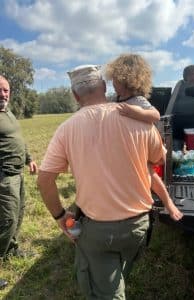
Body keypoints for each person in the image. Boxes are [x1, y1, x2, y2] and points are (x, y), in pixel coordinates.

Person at [37, 65, 183, 300]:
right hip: (139, 227)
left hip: (97, 232)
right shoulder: (138, 118)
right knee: (119, 273)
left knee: (107, 292)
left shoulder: (66, 129)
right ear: (105, 87)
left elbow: (44, 180)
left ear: (75, 95)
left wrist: (59, 216)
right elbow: (158, 159)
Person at [104, 53, 180, 215]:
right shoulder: (116, 98)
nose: (113, 84)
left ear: (128, 80)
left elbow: (155, 115)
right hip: (124, 145)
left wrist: (135, 112)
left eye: (115, 80)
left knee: (149, 174)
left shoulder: (138, 100)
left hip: (141, 146)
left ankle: (169, 204)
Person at [0, 76, 38, 288]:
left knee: (18, 213)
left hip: (17, 175)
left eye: (6, 90)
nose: (3, 94)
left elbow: (18, 139)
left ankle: (11, 249)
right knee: (5, 221)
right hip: (3, 177)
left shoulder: (8, 113)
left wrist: (29, 159)